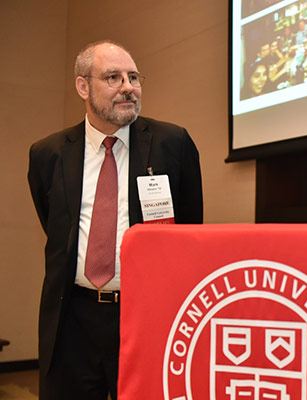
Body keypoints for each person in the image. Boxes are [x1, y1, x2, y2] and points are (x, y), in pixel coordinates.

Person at [27, 40, 203, 400]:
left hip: (144, 316)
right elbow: (57, 229)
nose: (128, 87)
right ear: (83, 86)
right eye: (113, 77)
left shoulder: (173, 143)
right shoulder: (48, 154)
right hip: (72, 319)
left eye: (133, 77)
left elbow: (189, 230)